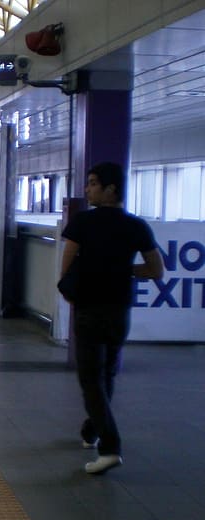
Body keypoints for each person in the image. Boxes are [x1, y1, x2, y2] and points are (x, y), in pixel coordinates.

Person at [60, 161, 164, 475]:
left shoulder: (82, 223)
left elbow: (67, 265)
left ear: (111, 189)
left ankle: (110, 447)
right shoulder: (137, 226)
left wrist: (70, 287)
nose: (87, 188)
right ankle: (92, 431)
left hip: (89, 310)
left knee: (90, 380)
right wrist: (122, 270)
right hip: (119, 311)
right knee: (105, 374)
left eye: (93, 183)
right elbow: (156, 270)